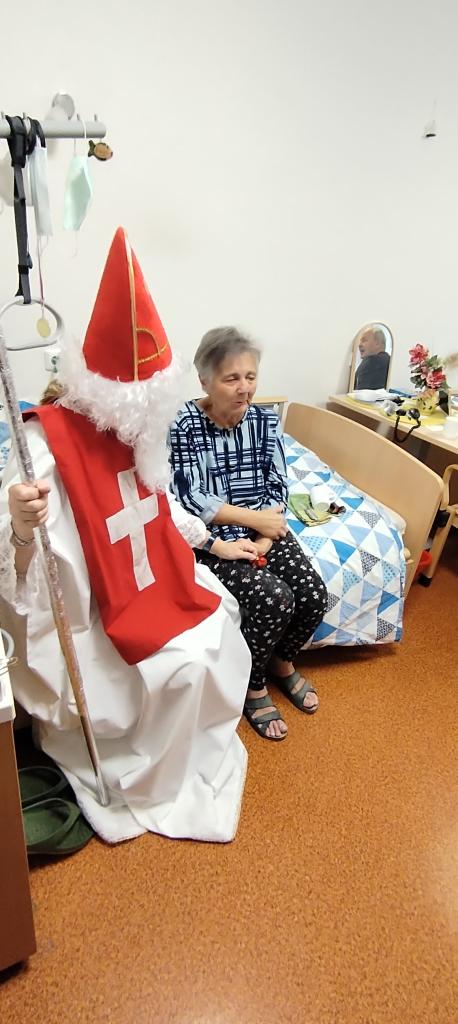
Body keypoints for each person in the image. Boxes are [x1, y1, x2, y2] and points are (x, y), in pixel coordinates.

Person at [0, 228, 251, 844]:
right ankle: (143, 770)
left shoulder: (140, 427)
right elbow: (19, 554)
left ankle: (181, 755)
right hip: (90, 603)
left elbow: (158, 504)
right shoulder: (44, 444)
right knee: (177, 667)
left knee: (215, 630)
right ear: (109, 390)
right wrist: (21, 525)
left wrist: (207, 542)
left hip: (152, 580)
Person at [168, 326, 328, 741]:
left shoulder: (264, 420)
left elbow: (277, 484)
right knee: (275, 598)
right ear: (205, 381)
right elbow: (190, 497)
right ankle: (253, 685)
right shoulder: (183, 424)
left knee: (313, 594)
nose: (245, 388)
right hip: (214, 540)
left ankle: (282, 661)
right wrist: (255, 523)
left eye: (251, 376)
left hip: (265, 529)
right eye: (231, 378)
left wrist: (265, 538)